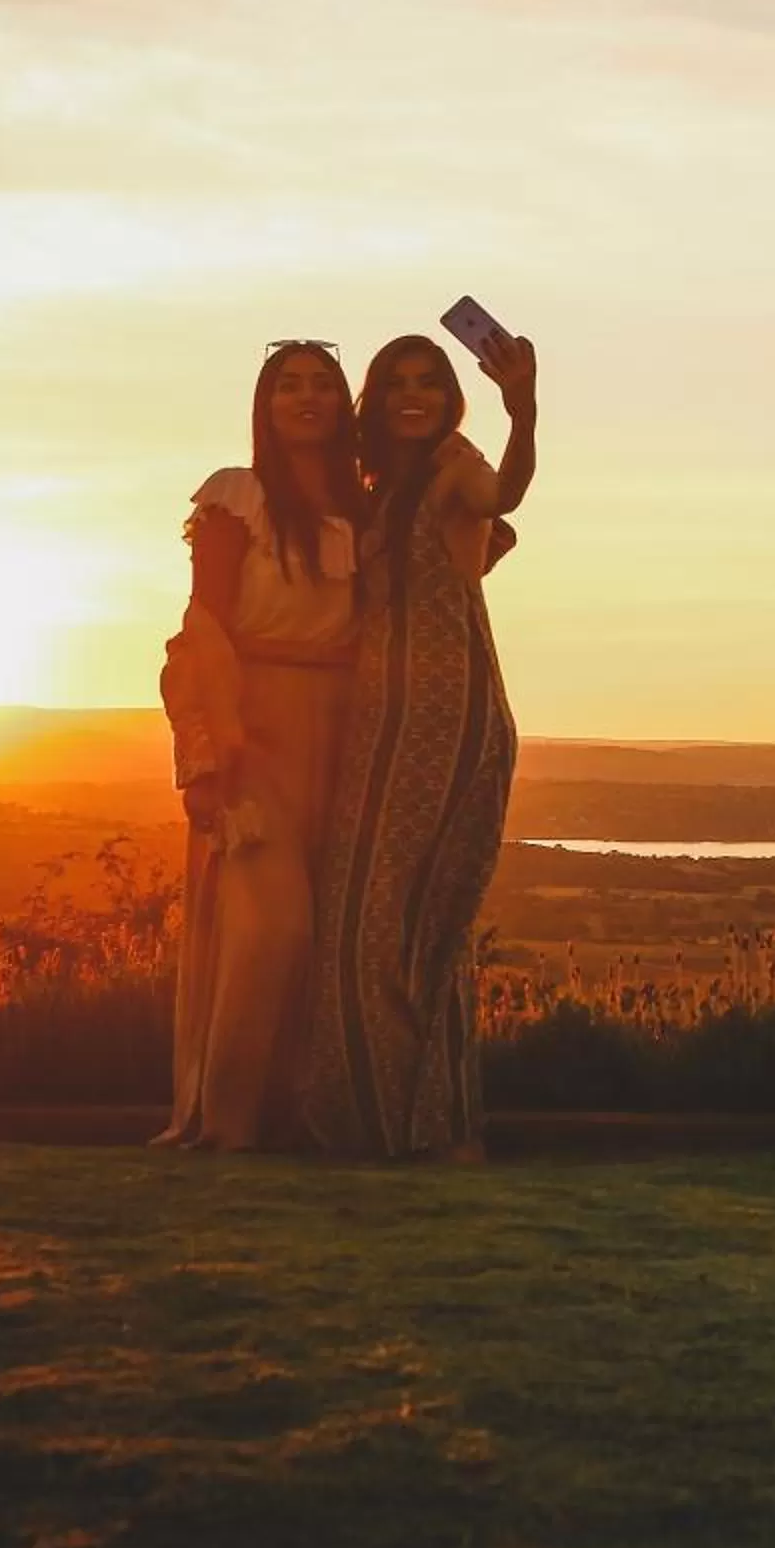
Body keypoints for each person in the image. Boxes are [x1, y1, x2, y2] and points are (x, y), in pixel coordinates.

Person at [293, 329, 537, 1160]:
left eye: (427, 381)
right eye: (396, 381)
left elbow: (504, 495)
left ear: (448, 397)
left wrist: (523, 408)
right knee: (362, 917)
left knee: (410, 922)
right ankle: (379, 1119)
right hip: (379, 721)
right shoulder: (377, 488)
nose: (412, 394)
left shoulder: (455, 465)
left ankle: (423, 1126)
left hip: (447, 715)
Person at [155, 339, 364, 1150]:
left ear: (346, 405)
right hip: (258, 724)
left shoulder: (367, 510)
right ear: (265, 406)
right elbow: (203, 625)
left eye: (323, 384)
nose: (307, 397)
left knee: (333, 939)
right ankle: (226, 1123)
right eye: (289, 386)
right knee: (271, 927)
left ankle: (301, 1116)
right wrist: (207, 751)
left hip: (349, 732)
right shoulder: (237, 498)